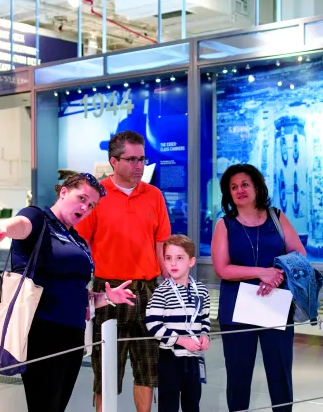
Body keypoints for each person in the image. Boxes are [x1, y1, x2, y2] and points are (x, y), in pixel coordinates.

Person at [0, 173, 137, 412]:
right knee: (44, 406)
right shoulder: (39, 218)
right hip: (43, 331)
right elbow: (22, 225)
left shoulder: (76, 239)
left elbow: (78, 295)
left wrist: (107, 297)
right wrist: (2, 227)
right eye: (82, 198)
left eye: (91, 205)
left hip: (73, 335)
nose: (85, 207)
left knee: (57, 407)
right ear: (64, 192)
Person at [76, 130, 171, 412]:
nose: (139, 165)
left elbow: (161, 244)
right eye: (131, 159)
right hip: (108, 291)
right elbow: (80, 247)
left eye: (142, 159)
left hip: (148, 290)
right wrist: (83, 291)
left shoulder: (153, 195)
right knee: (106, 369)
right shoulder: (97, 197)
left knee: (147, 368)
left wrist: (168, 288)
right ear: (114, 161)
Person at [210, 164, 307, 412]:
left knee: (280, 374)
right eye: (233, 187)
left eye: (245, 184)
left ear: (256, 187)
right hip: (237, 311)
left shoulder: (276, 217)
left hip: (276, 305)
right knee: (238, 377)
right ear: (228, 194)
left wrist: (279, 274)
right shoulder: (224, 225)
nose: (239, 190)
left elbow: (299, 254)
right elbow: (222, 268)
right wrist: (262, 272)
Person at [146, 234, 211, 412]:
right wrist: (181, 340)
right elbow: (153, 324)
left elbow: (204, 318)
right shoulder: (162, 292)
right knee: (168, 404)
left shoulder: (201, 291)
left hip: (193, 358)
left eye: (179, 258)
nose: (173, 264)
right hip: (170, 359)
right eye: (168, 258)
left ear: (191, 261)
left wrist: (205, 335)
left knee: (192, 403)